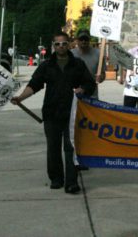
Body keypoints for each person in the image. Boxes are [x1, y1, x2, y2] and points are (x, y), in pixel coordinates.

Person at [11, 32, 96, 194]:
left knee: (70, 147)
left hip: (72, 113)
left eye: (64, 43)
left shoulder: (77, 64)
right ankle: (56, 179)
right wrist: (21, 97)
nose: (61, 47)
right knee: (53, 147)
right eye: (57, 44)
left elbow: (90, 84)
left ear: (69, 44)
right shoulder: (46, 65)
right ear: (53, 46)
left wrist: (83, 89)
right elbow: (34, 84)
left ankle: (71, 182)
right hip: (51, 112)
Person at [71, 30, 106, 99]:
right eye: (81, 39)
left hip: (92, 96)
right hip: (74, 96)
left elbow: (103, 74)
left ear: (89, 40)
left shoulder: (98, 54)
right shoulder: (71, 54)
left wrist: (100, 78)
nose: (83, 41)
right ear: (77, 40)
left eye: (86, 39)